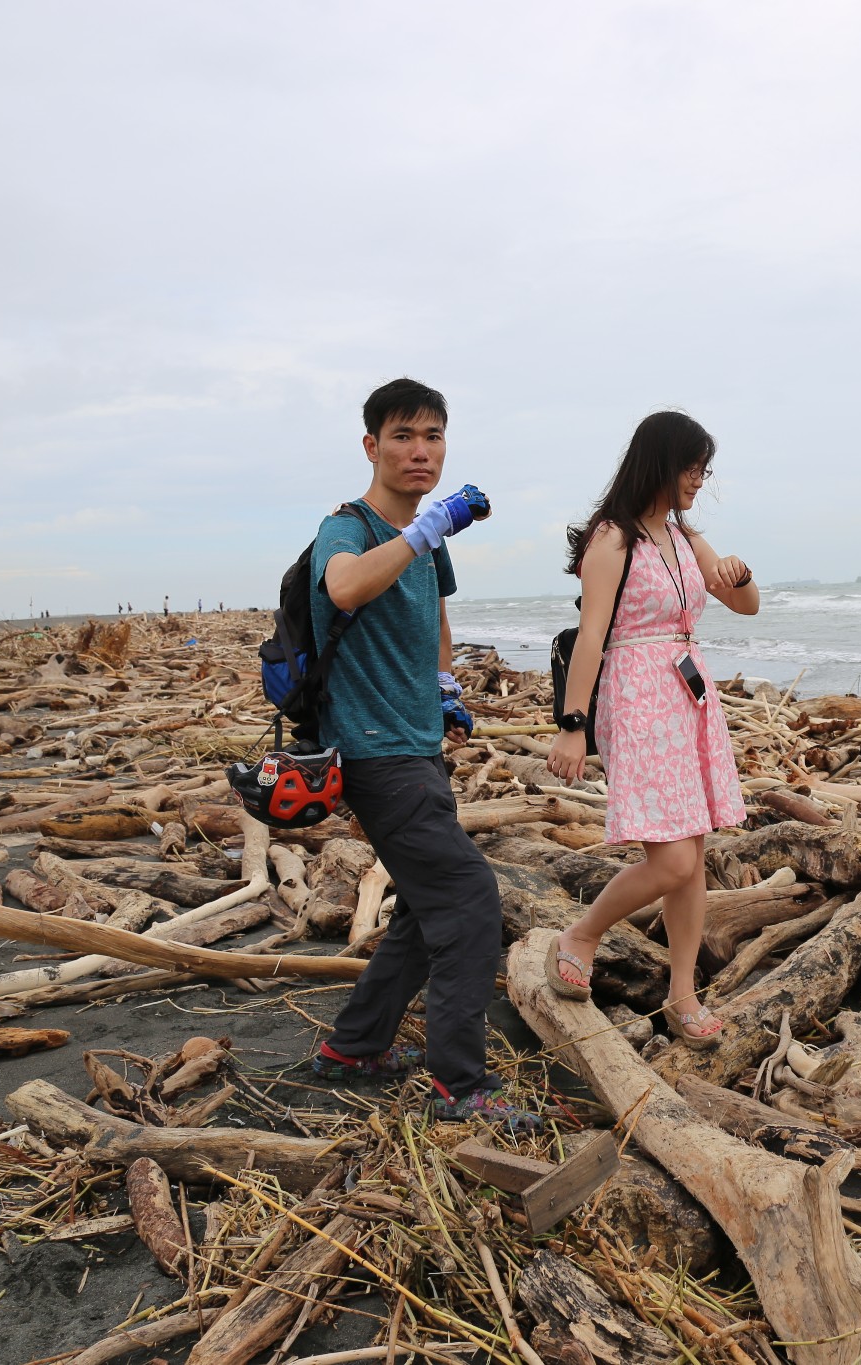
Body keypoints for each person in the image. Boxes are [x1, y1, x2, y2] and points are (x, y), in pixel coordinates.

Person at [302, 377, 536, 1130]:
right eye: (403, 436)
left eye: (433, 436)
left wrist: (444, 686)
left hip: (417, 742)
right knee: (470, 899)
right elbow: (342, 590)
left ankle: (356, 1047)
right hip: (372, 752)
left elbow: (432, 609)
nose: (420, 450)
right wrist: (423, 530)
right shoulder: (352, 528)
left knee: (422, 910)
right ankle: (460, 1087)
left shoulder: (427, 548)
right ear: (372, 446)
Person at [544, 411, 757, 1049]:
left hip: (688, 694)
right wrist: (572, 726)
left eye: (704, 470)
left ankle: (682, 995)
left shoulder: (685, 538)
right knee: (671, 859)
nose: (699, 480)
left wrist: (741, 577)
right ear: (660, 464)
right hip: (636, 695)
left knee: (691, 860)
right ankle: (581, 933)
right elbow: (590, 638)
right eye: (691, 468)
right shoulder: (613, 540)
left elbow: (744, 606)